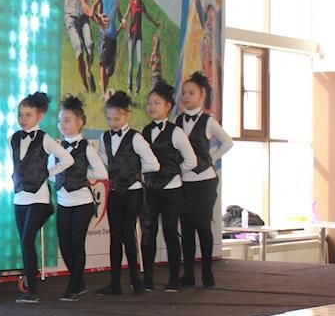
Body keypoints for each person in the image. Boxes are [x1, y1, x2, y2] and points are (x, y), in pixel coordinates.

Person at [11, 92, 73, 304]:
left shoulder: (45, 138)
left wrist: (48, 173)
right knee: (25, 242)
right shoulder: (13, 139)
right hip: (19, 197)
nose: (23, 119)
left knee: (27, 239)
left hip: (39, 197)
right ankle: (31, 288)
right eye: (20, 114)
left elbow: (67, 159)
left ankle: (33, 291)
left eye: (28, 115)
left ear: (39, 116)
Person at [96, 91, 159, 296]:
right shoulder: (104, 137)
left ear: (126, 115)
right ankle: (115, 282)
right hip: (115, 191)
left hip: (133, 191)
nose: (113, 122)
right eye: (109, 118)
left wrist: (134, 172)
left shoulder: (136, 137)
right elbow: (103, 162)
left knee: (128, 234)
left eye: (117, 118)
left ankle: (135, 280)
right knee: (115, 236)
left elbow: (153, 164)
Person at [176, 71, 233, 288]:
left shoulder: (208, 121)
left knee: (203, 226)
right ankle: (189, 274)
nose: (186, 97)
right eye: (184, 93)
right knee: (186, 228)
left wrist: (211, 158)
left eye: (191, 93)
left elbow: (227, 142)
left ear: (202, 95)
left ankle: (207, 273)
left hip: (205, 181)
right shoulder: (178, 121)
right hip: (184, 181)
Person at [140, 80, 197, 292]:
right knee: (148, 233)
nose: (152, 107)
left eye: (157, 103)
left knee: (171, 233)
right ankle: (147, 278)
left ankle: (174, 278)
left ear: (168, 106)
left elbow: (191, 161)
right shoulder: (145, 131)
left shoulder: (176, 132)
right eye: (149, 103)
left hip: (172, 190)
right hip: (150, 190)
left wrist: (173, 171)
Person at [52, 95, 107, 301]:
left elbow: (102, 173)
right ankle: (79, 282)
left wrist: (85, 175)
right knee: (64, 243)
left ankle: (73, 287)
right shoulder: (56, 147)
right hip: (63, 201)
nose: (62, 124)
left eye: (67, 120)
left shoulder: (86, 147)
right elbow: (50, 173)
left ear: (80, 122)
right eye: (60, 120)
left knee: (77, 243)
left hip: (82, 202)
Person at [64, 0, 101, 93]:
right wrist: (92, 13)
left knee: (90, 45)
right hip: (71, 15)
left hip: (84, 17)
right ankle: (86, 87)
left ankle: (89, 71)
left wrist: (98, 11)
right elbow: (84, 1)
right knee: (79, 48)